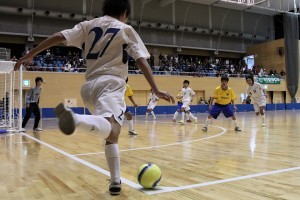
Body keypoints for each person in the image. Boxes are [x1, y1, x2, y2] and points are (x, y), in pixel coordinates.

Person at [14, 0, 174, 195]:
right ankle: (75, 118)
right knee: (112, 128)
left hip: (89, 87)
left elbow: (58, 36)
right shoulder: (125, 29)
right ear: (124, 13)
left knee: (110, 135)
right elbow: (140, 60)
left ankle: (115, 181)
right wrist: (155, 89)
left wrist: (30, 54)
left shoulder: (87, 25)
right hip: (111, 83)